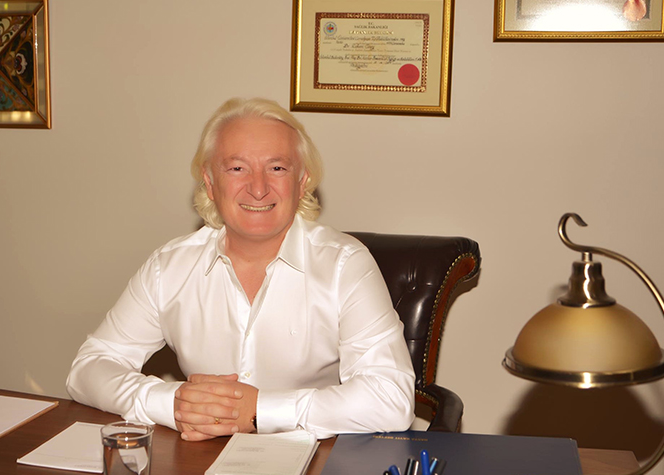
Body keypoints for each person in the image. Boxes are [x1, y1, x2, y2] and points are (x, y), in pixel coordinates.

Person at [66, 97, 416, 441]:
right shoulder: (168, 268)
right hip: (199, 456)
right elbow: (88, 369)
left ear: (302, 182)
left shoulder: (345, 265)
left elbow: (391, 398)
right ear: (209, 182)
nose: (258, 188)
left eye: (277, 168)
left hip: (314, 458)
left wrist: (259, 411)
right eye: (237, 168)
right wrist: (172, 403)